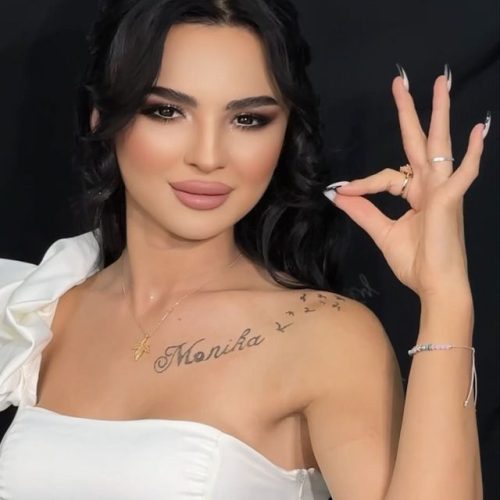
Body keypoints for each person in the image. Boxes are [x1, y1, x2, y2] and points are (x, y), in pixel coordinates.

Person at [0, 0, 489, 498]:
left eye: (248, 119)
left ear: (285, 132)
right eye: (166, 111)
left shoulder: (324, 339)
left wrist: (446, 298)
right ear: (103, 117)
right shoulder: (39, 311)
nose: (208, 156)